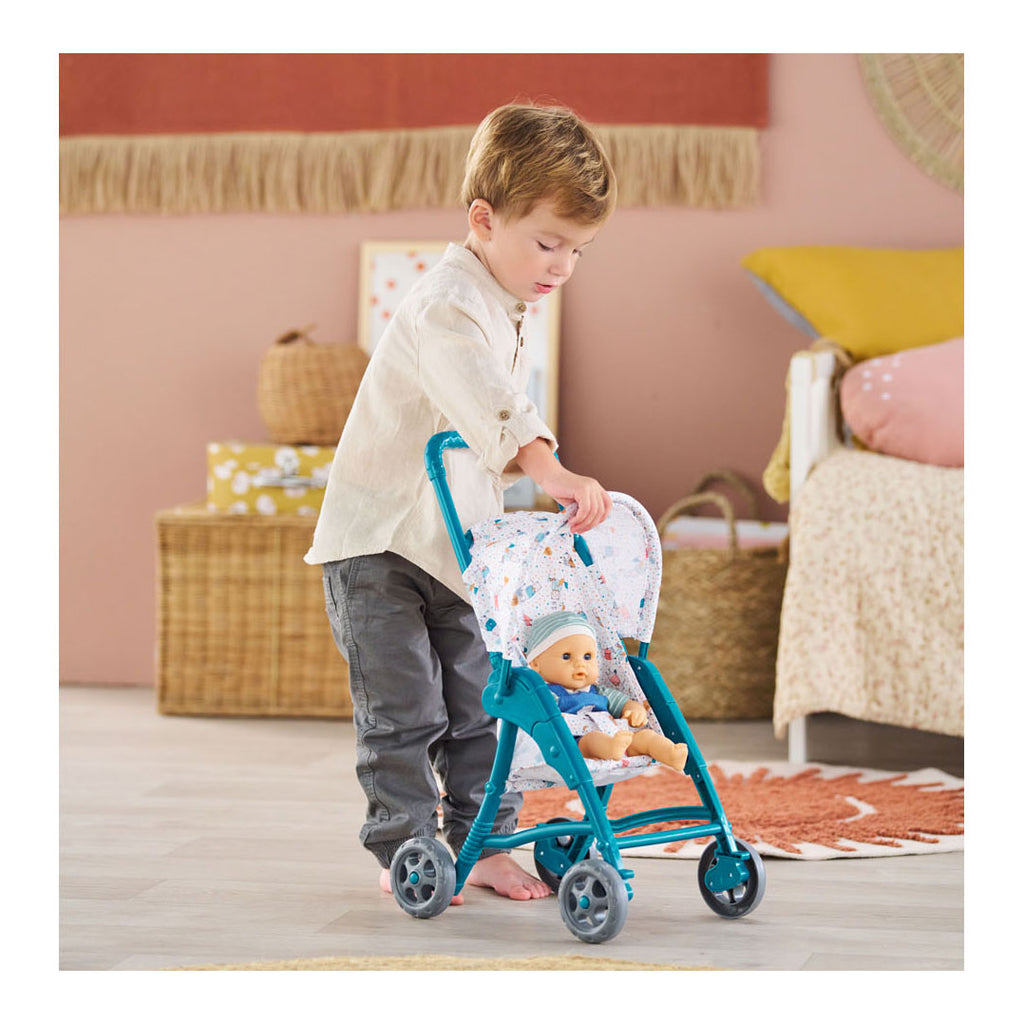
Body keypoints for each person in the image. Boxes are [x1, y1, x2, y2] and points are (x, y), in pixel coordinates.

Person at [305, 102, 617, 903]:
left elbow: (495, 412)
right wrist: (548, 467)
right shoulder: (447, 301)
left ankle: (481, 842)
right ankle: (406, 846)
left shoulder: (505, 304)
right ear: (484, 219)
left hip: (458, 547)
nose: (562, 266)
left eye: (577, 250)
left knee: (484, 705)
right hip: (379, 545)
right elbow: (483, 397)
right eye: (547, 243)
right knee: (404, 710)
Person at [525, 612, 690, 771]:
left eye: (587, 657)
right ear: (536, 664)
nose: (580, 664)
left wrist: (635, 711)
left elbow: (625, 703)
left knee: (646, 737)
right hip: (578, 743)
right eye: (566, 657)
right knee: (592, 740)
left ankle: (671, 753)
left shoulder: (599, 691)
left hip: (619, 735)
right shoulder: (546, 694)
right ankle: (610, 747)